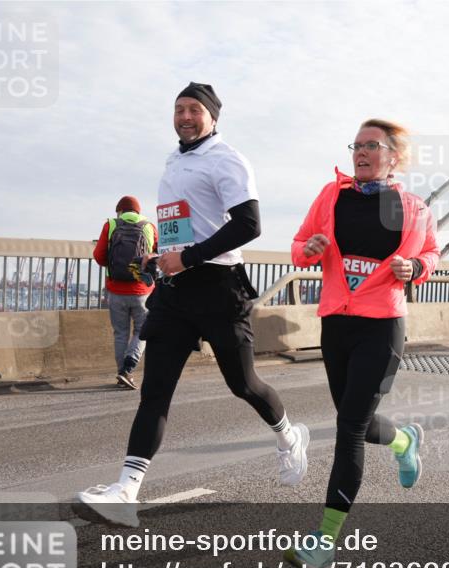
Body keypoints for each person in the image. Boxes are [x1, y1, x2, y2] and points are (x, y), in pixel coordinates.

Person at [76, 82, 309, 527]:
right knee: (155, 391)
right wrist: (162, 256)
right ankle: (127, 489)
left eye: (194, 110)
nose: (185, 116)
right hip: (176, 287)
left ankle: (288, 436)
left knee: (243, 384)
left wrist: (189, 256)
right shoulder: (174, 161)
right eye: (179, 109)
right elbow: (187, 225)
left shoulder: (227, 159)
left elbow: (249, 224)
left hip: (220, 287)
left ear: (213, 117)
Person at [286, 119, 439, 568]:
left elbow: (431, 252)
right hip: (336, 322)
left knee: (349, 428)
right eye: (357, 145)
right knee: (357, 420)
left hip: (382, 325)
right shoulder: (332, 195)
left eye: (372, 145)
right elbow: (299, 245)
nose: (361, 152)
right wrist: (309, 249)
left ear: (394, 156)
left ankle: (325, 542)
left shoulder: (411, 207)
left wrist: (416, 266)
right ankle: (404, 441)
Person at [92, 195, 157, 389]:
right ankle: (128, 369)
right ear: (137, 211)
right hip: (142, 291)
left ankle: (122, 373)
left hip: (116, 289)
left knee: (120, 333)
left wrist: (113, 265)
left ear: (120, 210)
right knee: (141, 330)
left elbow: (99, 256)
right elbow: (156, 254)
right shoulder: (149, 226)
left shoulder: (110, 225)